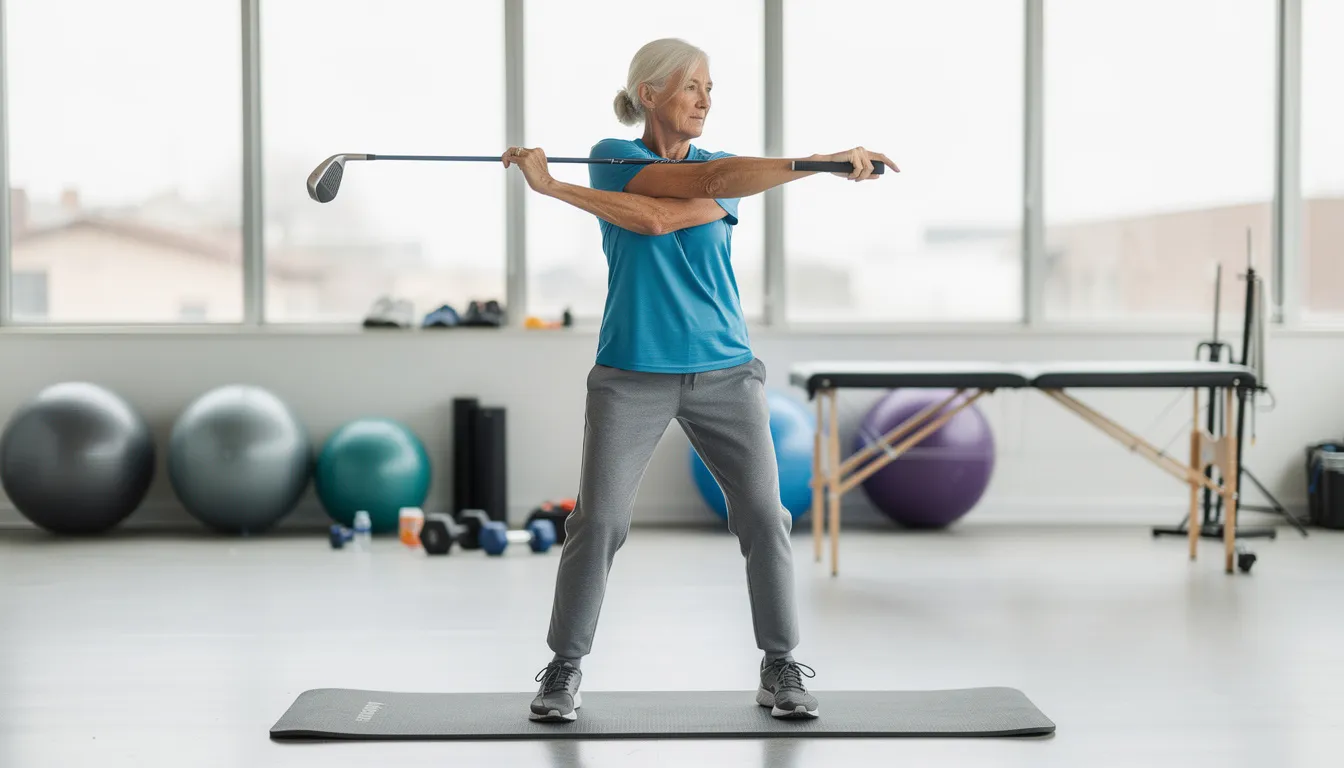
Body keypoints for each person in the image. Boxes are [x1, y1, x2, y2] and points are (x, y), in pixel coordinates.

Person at [501, 38, 895, 723]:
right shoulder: (611, 156)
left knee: (766, 516)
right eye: (691, 86)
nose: (705, 100)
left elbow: (664, 212)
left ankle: (780, 664)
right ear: (650, 94)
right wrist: (567, 184)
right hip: (631, 374)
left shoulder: (724, 172)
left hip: (727, 373)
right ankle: (564, 666)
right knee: (599, 521)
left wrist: (825, 163)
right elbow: (655, 210)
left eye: (710, 87)